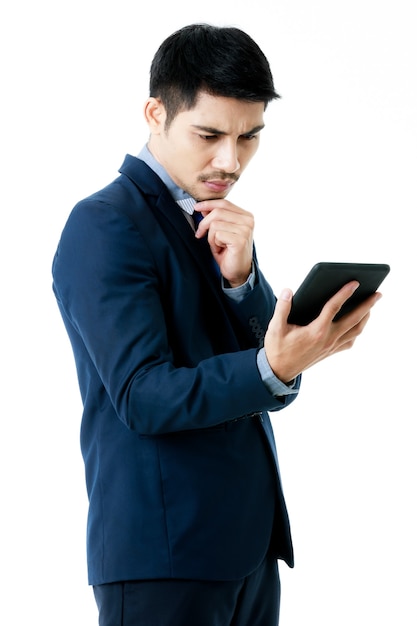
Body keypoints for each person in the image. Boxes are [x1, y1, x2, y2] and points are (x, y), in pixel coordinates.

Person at [52, 23, 381, 626]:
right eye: (209, 134)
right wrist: (274, 365)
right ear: (155, 113)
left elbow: (267, 384)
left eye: (249, 137)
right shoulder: (104, 224)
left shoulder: (219, 224)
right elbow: (141, 396)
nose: (230, 160)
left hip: (248, 553)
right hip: (164, 558)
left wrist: (242, 283)